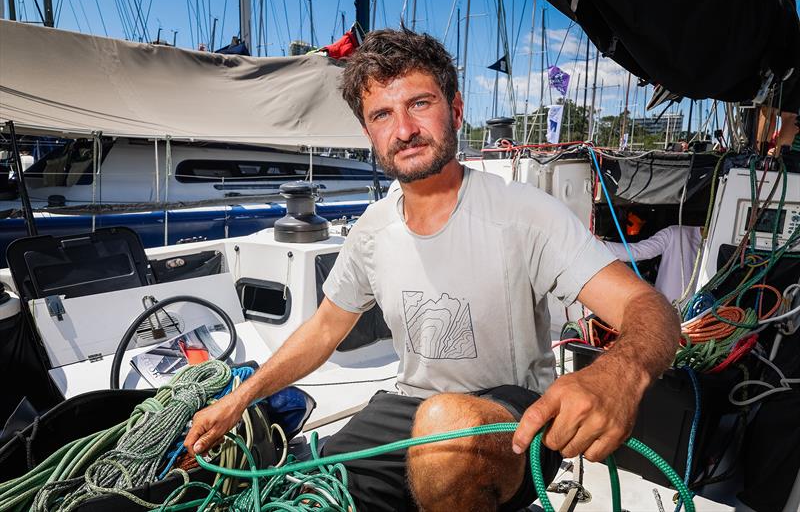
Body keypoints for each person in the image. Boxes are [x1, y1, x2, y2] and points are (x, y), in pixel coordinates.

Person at [184, 29, 680, 511]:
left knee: (447, 426)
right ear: (368, 133)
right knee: (301, 492)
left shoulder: (524, 213)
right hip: (409, 408)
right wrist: (238, 399)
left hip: (518, 416)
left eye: (419, 104)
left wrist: (620, 373)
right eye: (383, 114)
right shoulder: (372, 230)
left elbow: (646, 306)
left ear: (456, 110)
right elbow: (323, 330)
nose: (403, 130)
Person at [603, 225, 703, 304]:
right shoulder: (675, 234)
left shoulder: (716, 246)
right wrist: (600, 246)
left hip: (703, 322)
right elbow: (638, 251)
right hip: (665, 315)